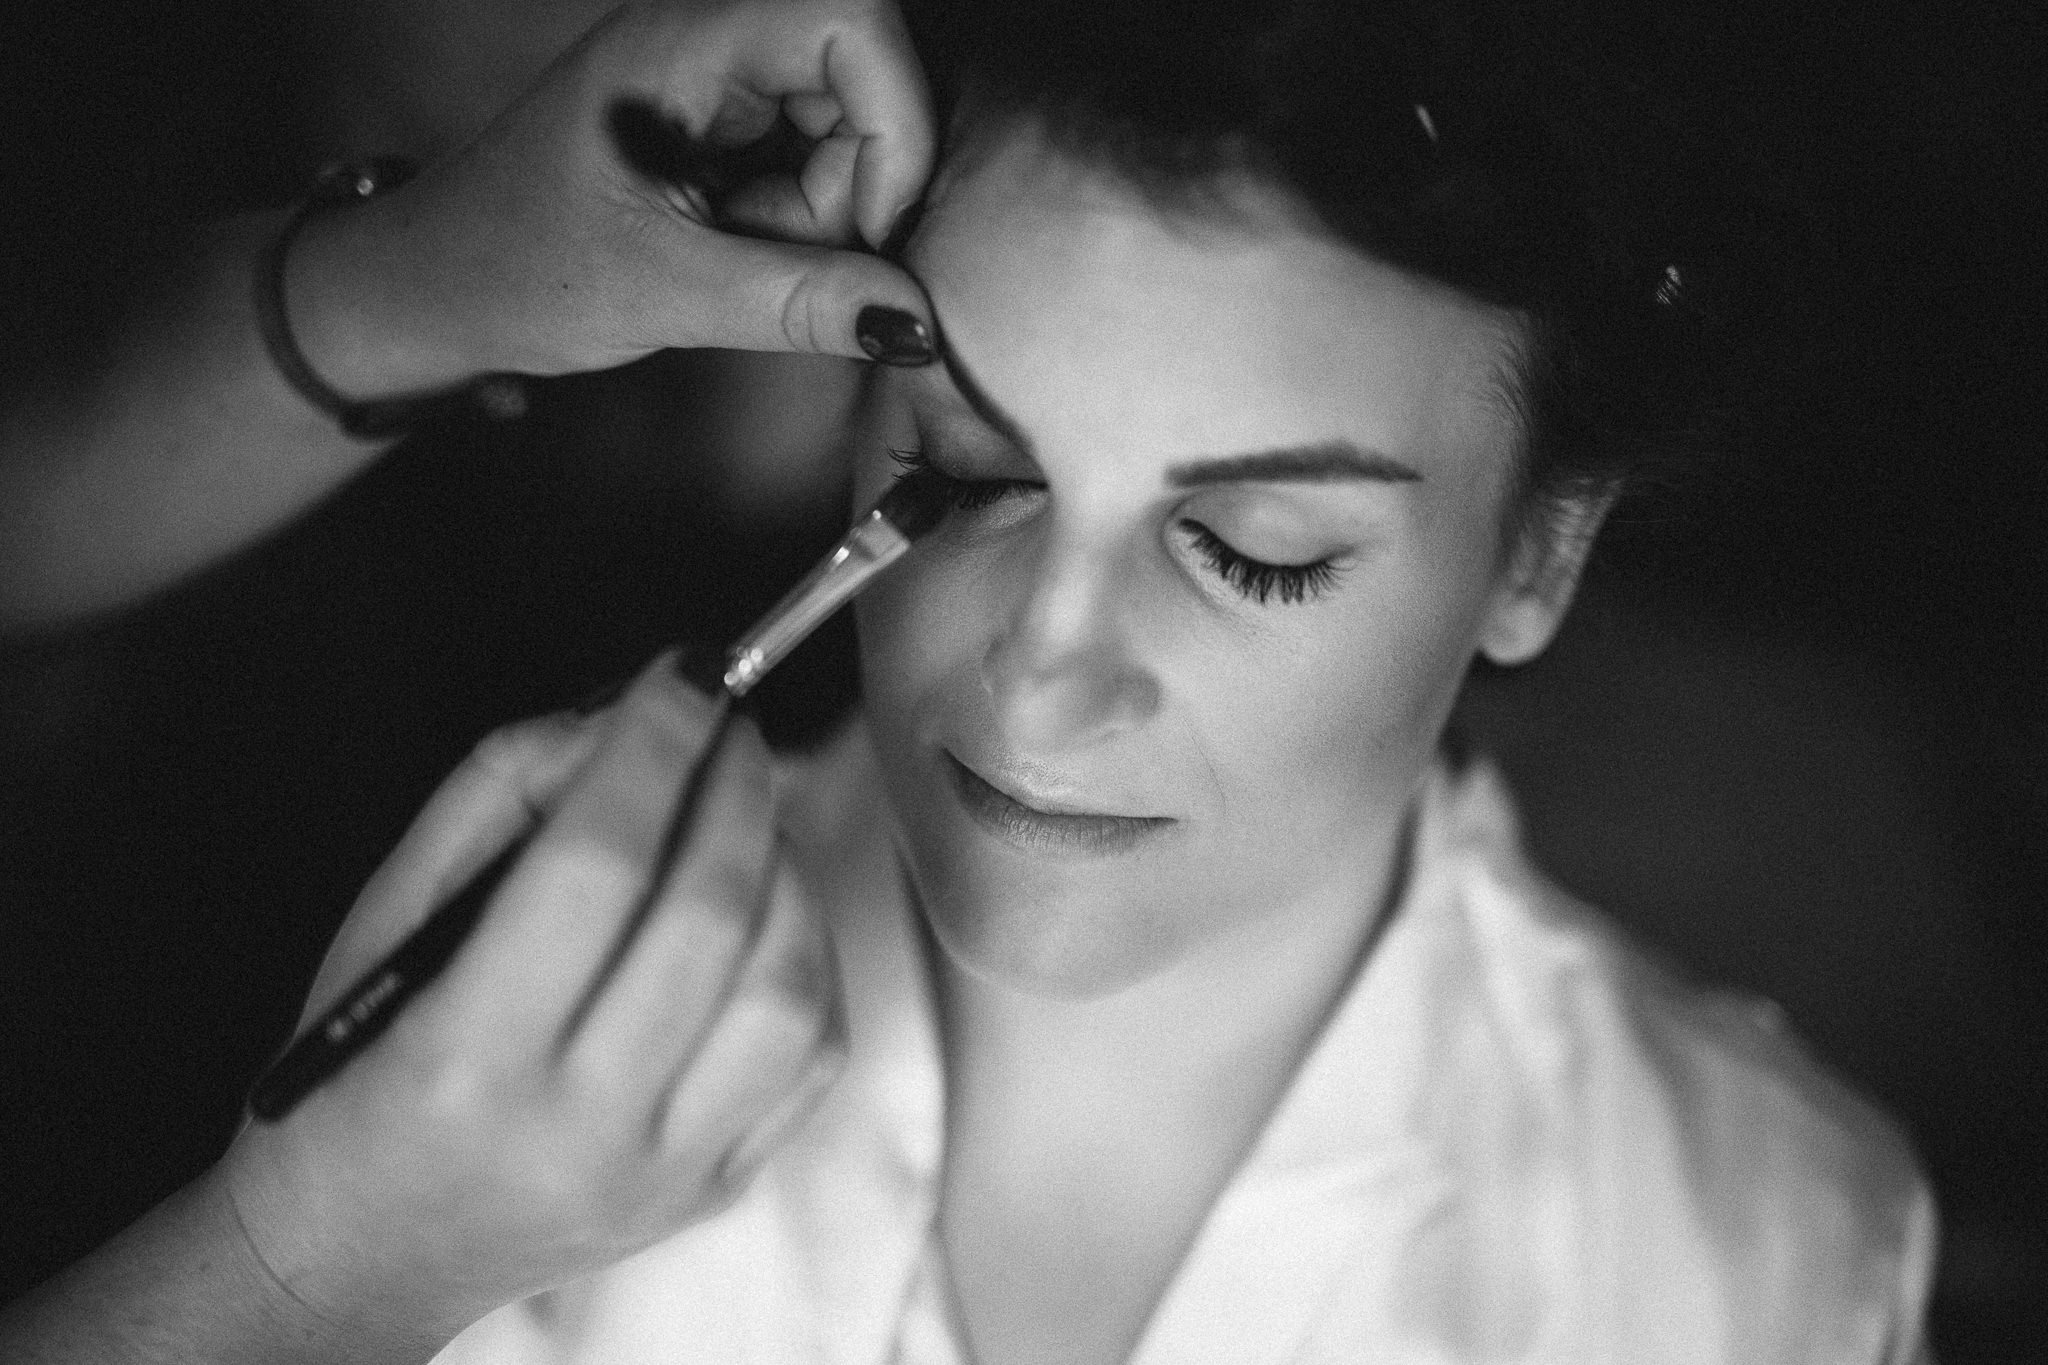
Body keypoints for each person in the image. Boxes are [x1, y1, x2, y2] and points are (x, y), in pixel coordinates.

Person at [2, 0, 1940, 1361]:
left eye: (1252, 546)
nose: (1040, 661)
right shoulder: (420, 1046)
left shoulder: (1765, 1247)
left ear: (1536, 552)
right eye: (972, 465)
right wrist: (304, 1271)